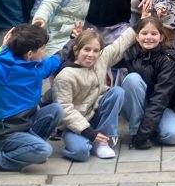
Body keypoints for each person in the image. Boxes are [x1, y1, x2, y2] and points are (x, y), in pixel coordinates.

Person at [0, 24, 64, 177]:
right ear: (29, 54)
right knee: (44, 150)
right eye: (43, 48)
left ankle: (28, 148)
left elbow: (55, 60)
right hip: (4, 133)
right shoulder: (3, 71)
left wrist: (74, 42)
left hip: (26, 125)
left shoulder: (36, 66)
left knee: (56, 110)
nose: (45, 51)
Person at [48, 27, 132, 161]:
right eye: (86, 49)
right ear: (76, 50)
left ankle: (103, 141)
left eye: (95, 51)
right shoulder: (65, 76)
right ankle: (83, 141)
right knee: (80, 153)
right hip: (75, 124)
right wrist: (88, 132)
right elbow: (64, 109)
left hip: (94, 113)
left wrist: (138, 25)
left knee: (117, 92)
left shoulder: (101, 59)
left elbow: (120, 45)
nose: (91, 54)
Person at [115, 16, 175, 149]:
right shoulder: (129, 53)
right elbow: (105, 55)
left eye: (154, 34)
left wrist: (144, 134)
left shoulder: (167, 61)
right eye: (144, 33)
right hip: (133, 106)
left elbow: (160, 100)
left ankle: (147, 132)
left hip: (158, 107)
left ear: (161, 37)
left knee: (174, 135)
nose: (149, 37)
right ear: (137, 37)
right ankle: (136, 131)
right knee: (132, 79)